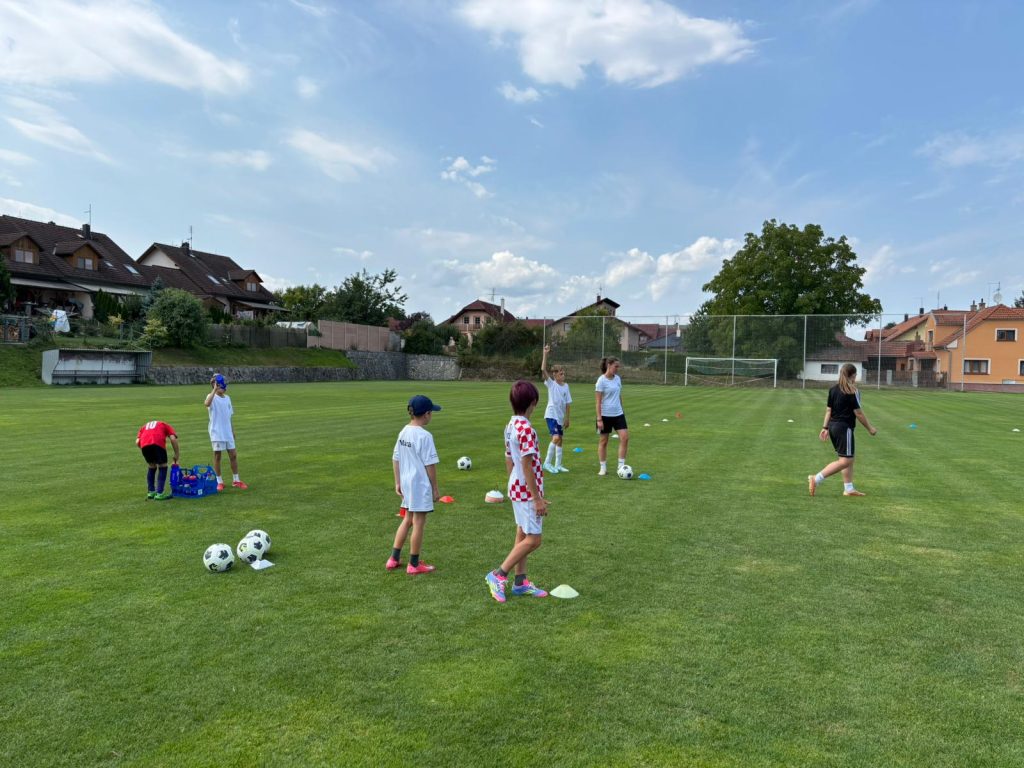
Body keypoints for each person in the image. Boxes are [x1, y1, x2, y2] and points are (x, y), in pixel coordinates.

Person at [485, 380, 549, 603]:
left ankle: (520, 582)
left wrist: (515, 484)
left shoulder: (511, 425)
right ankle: (498, 575)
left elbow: (508, 459)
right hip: (525, 491)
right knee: (534, 539)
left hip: (518, 487)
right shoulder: (526, 429)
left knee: (522, 532)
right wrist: (536, 497)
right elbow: (527, 464)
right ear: (534, 402)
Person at [386, 395, 442, 575]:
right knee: (418, 523)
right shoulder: (425, 436)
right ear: (426, 414)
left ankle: (393, 559)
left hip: (407, 484)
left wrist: (397, 482)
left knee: (407, 519)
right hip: (419, 485)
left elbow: (395, 458)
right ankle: (414, 564)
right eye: (431, 412)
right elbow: (430, 465)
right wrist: (435, 489)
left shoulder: (404, 431)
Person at [808, 363, 878, 497]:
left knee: (847, 457)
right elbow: (858, 413)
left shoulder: (833, 389)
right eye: (855, 375)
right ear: (852, 375)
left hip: (833, 427)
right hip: (844, 428)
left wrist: (825, 427)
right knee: (846, 461)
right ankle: (816, 479)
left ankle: (849, 489)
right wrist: (870, 428)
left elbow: (829, 410)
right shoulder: (852, 391)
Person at [204, 374, 247, 491]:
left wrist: (232, 430)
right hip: (217, 432)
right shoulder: (211, 397)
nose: (223, 389)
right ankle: (219, 482)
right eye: (220, 386)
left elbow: (229, 416)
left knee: (233, 455)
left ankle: (236, 480)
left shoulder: (227, 398)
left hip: (227, 432)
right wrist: (214, 389)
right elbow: (206, 403)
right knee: (217, 456)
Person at [540, 343, 572, 474]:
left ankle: (558, 465)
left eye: (563, 373)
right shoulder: (551, 384)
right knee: (556, 437)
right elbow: (543, 369)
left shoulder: (566, 386)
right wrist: (545, 354)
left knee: (560, 440)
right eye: (561, 373)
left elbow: (568, 403)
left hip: (560, 417)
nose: (563, 375)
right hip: (551, 414)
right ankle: (547, 463)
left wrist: (567, 418)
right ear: (555, 375)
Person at [595, 356, 629, 476]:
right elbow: (598, 402)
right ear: (609, 365)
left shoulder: (618, 379)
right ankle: (603, 468)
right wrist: (599, 419)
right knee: (604, 441)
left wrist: (622, 410)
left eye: (618, 366)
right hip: (605, 415)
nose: (617, 368)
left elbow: (619, 396)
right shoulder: (601, 381)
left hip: (618, 414)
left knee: (625, 438)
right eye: (616, 366)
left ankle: (621, 467)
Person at [136, 419, 180, 500]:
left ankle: (151, 492)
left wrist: (145, 449)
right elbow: (173, 439)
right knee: (163, 466)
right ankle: (160, 493)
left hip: (144, 444)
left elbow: (137, 441)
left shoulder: (144, 426)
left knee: (151, 466)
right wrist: (176, 454)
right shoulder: (165, 425)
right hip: (157, 443)